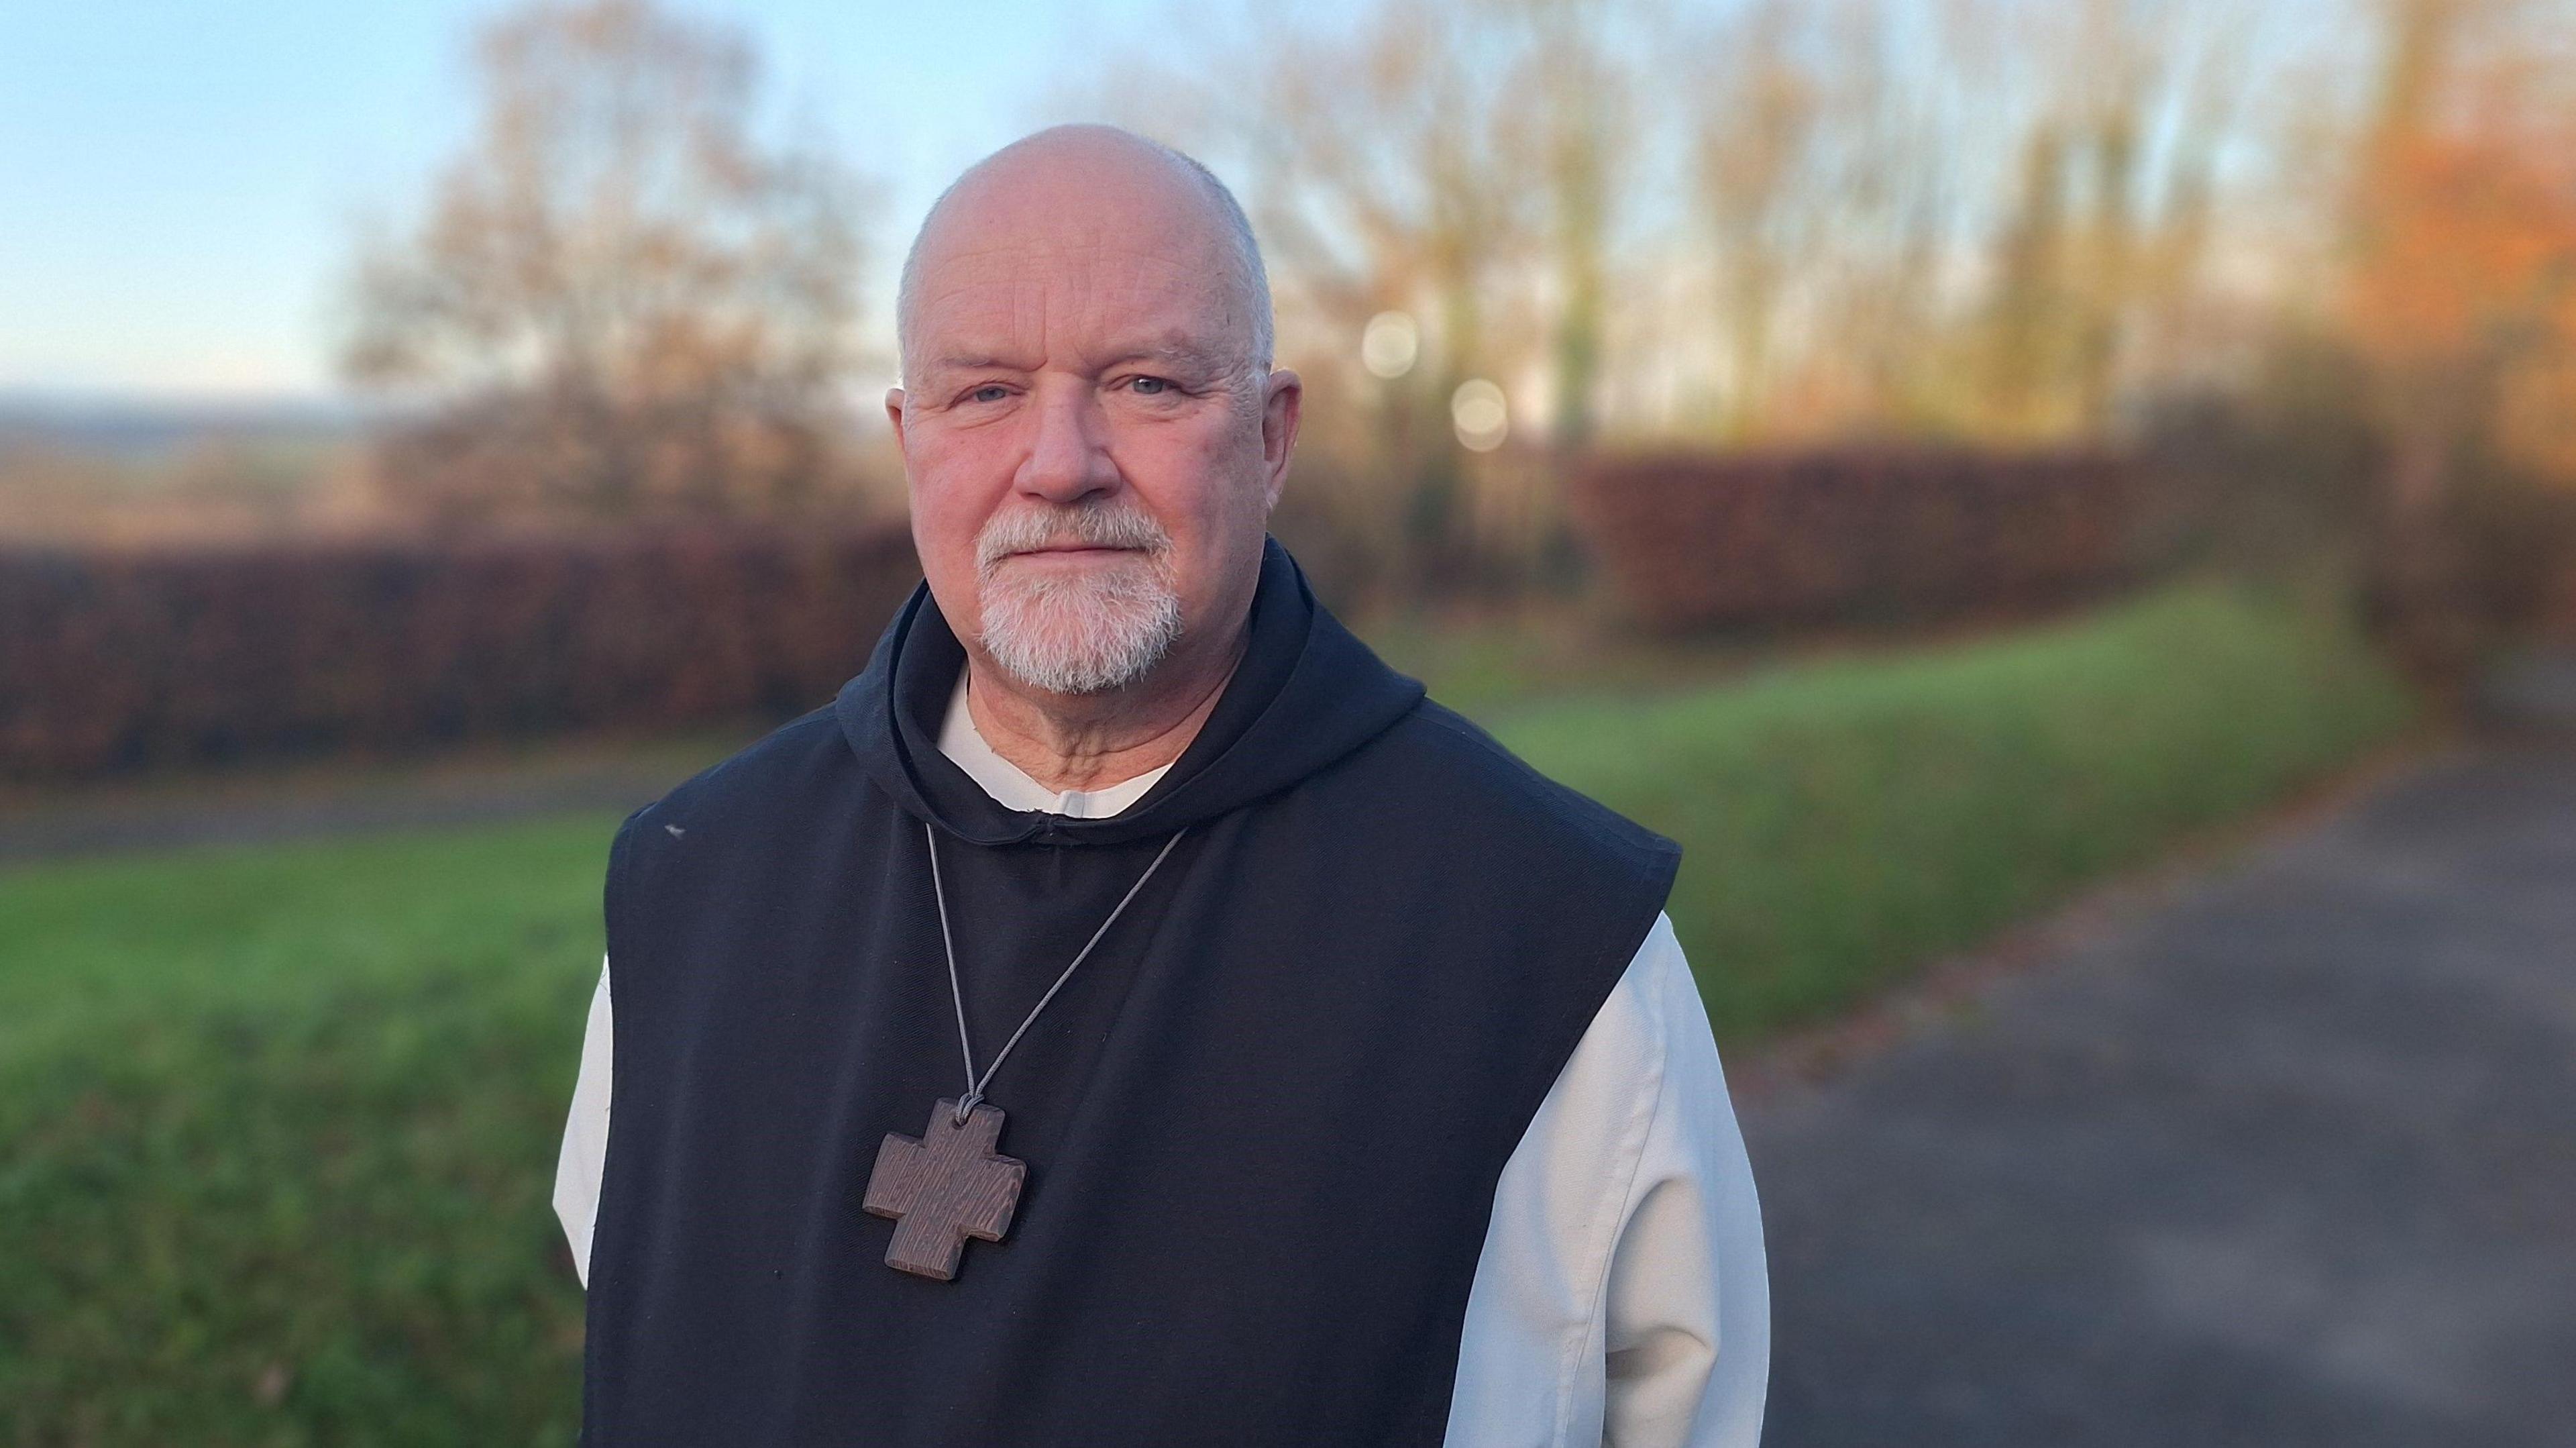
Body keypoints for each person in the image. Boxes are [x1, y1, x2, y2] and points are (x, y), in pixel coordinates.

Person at [553, 123, 1767, 1446]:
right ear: (911, 442)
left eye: (1144, 382)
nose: (1062, 461)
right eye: (984, 391)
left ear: (1270, 433)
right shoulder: (697, 879)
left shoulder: (1546, 936)